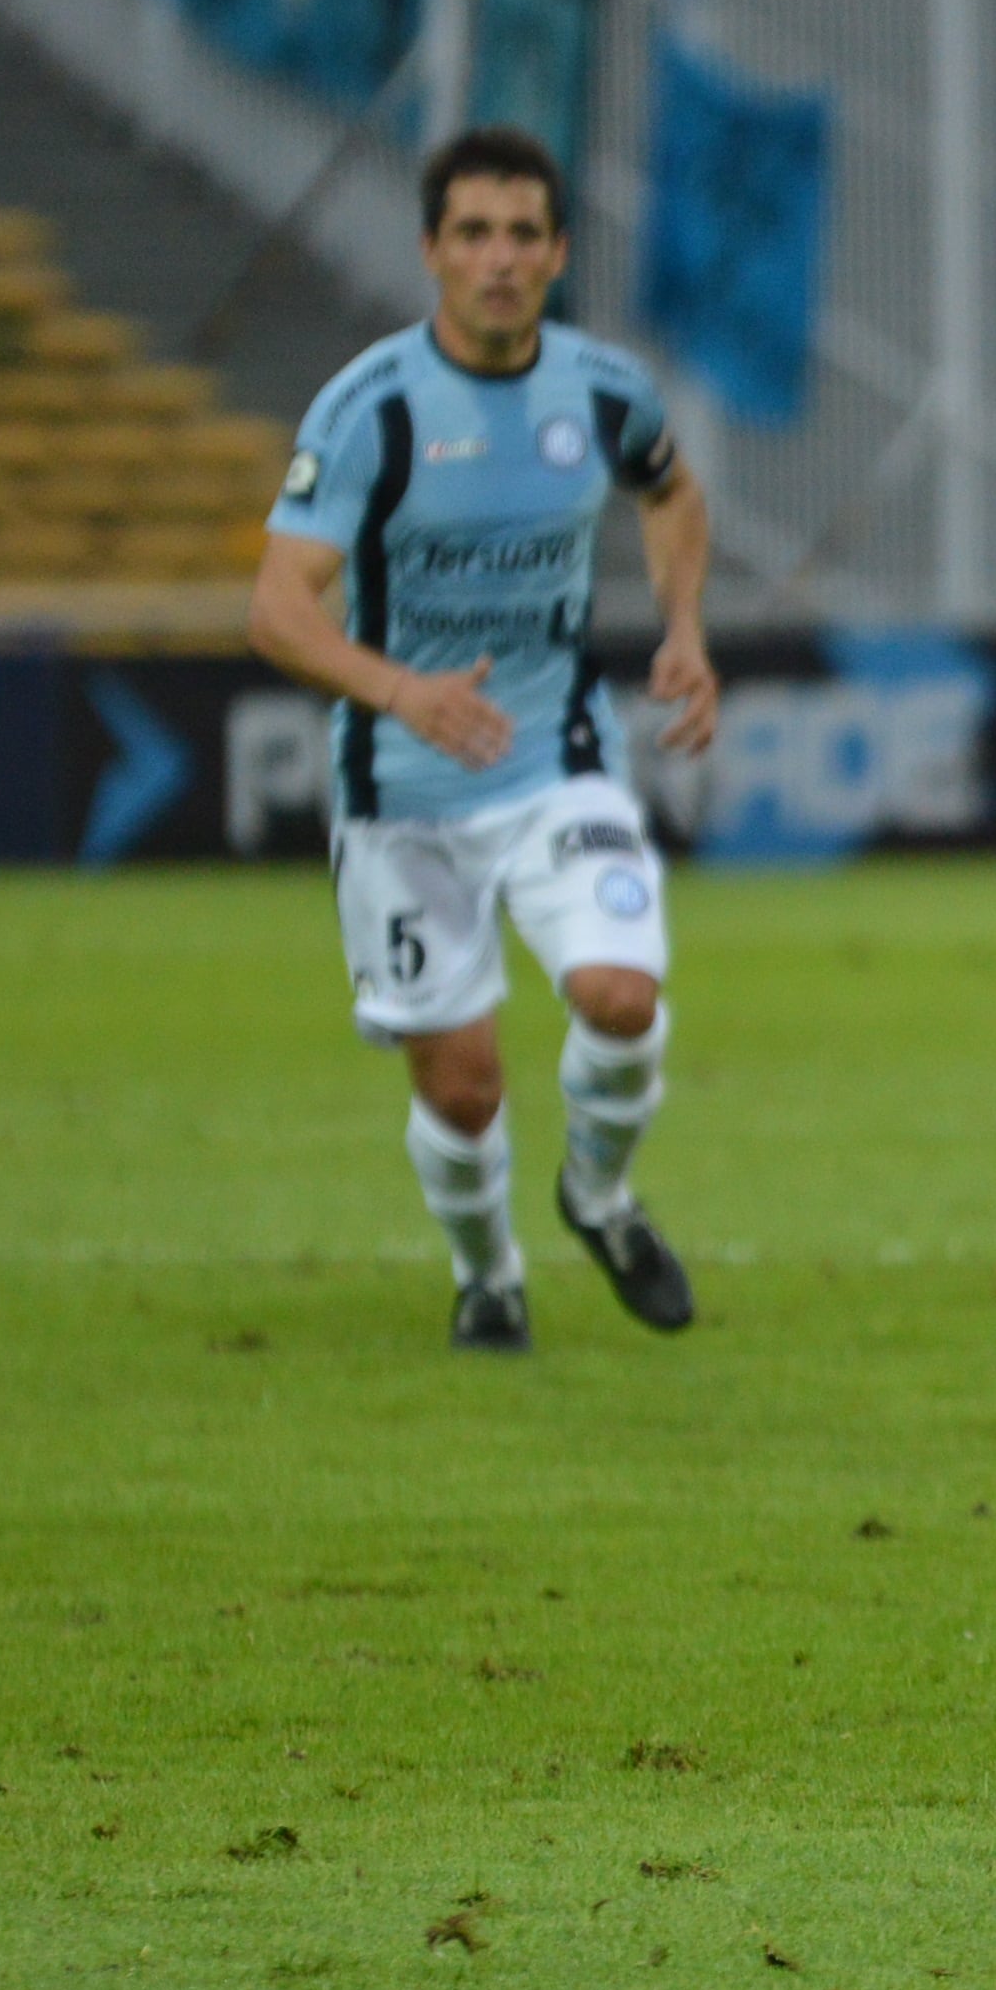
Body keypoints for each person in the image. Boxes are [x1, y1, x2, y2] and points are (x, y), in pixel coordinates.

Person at [247, 127, 717, 1352]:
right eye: (472, 235)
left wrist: (684, 628)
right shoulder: (370, 411)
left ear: (559, 255)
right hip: (401, 792)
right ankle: (488, 1275)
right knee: (463, 1085)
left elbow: (669, 491)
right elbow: (277, 608)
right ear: (432, 253)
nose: (498, 261)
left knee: (620, 993)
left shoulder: (606, 391)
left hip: (556, 757)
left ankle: (599, 1199)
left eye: (521, 236)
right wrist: (398, 691)